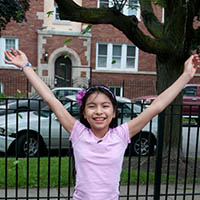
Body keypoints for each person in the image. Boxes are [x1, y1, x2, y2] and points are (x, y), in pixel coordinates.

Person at [4, 49, 200, 200]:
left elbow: (157, 106)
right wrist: (26, 66)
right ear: (84, 112)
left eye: (105, 106)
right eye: (92, 106)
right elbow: (51, 99)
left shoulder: (121, 134)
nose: (98, 111)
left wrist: (186, 76)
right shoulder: (78, 132)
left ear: (114, 112)